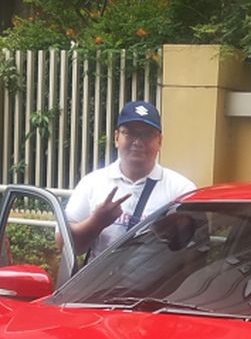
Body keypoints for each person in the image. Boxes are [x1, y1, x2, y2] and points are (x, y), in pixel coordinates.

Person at [63, 100, 196, 265]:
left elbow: (194, 254)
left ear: (160, 141)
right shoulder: (92, 183)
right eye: (130, 133)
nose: (138, 142)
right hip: (100, 289)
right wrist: (96, 222)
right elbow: (63, 246)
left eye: (147, 134)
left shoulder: (181, 190)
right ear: (117, 137)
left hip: (157, 290)